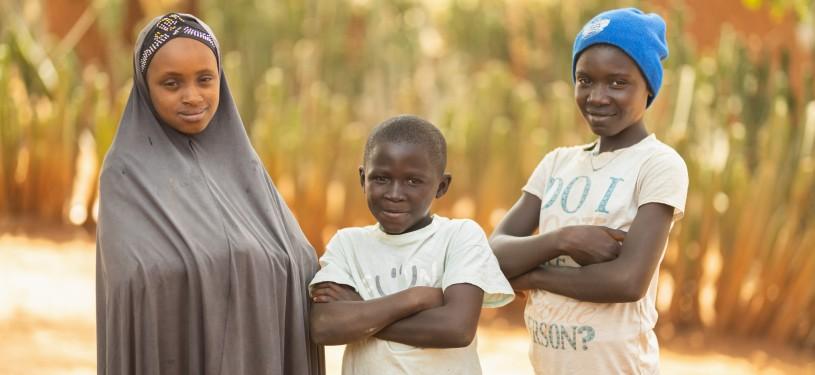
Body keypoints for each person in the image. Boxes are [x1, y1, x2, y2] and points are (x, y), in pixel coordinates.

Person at [96, 13, 323, 374]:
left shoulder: (244, 165)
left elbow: (299, 259)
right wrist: (230, 264)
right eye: (171, 84)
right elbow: (135, 284)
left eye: (205, 80)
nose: (192, 96)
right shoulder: (126, 172)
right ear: (145, 87)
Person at [489, 8, 689, 374]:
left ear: (648, 87)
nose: (597, 96)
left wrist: (532, 276)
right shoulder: (556, 164)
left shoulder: (658, 164)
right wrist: (563, 240)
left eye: (617, 82)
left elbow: (627, 281)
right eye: (585, 80)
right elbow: (494, 253)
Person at [308, 115, 514, 374]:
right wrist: (416, 298)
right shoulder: (347, 244)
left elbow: (456, 328)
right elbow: (324, 326)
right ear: (363, 179)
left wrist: (361, 309)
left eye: (413, 181)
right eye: (381, 178)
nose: (394, 194)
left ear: (441, 186)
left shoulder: (459, 236)